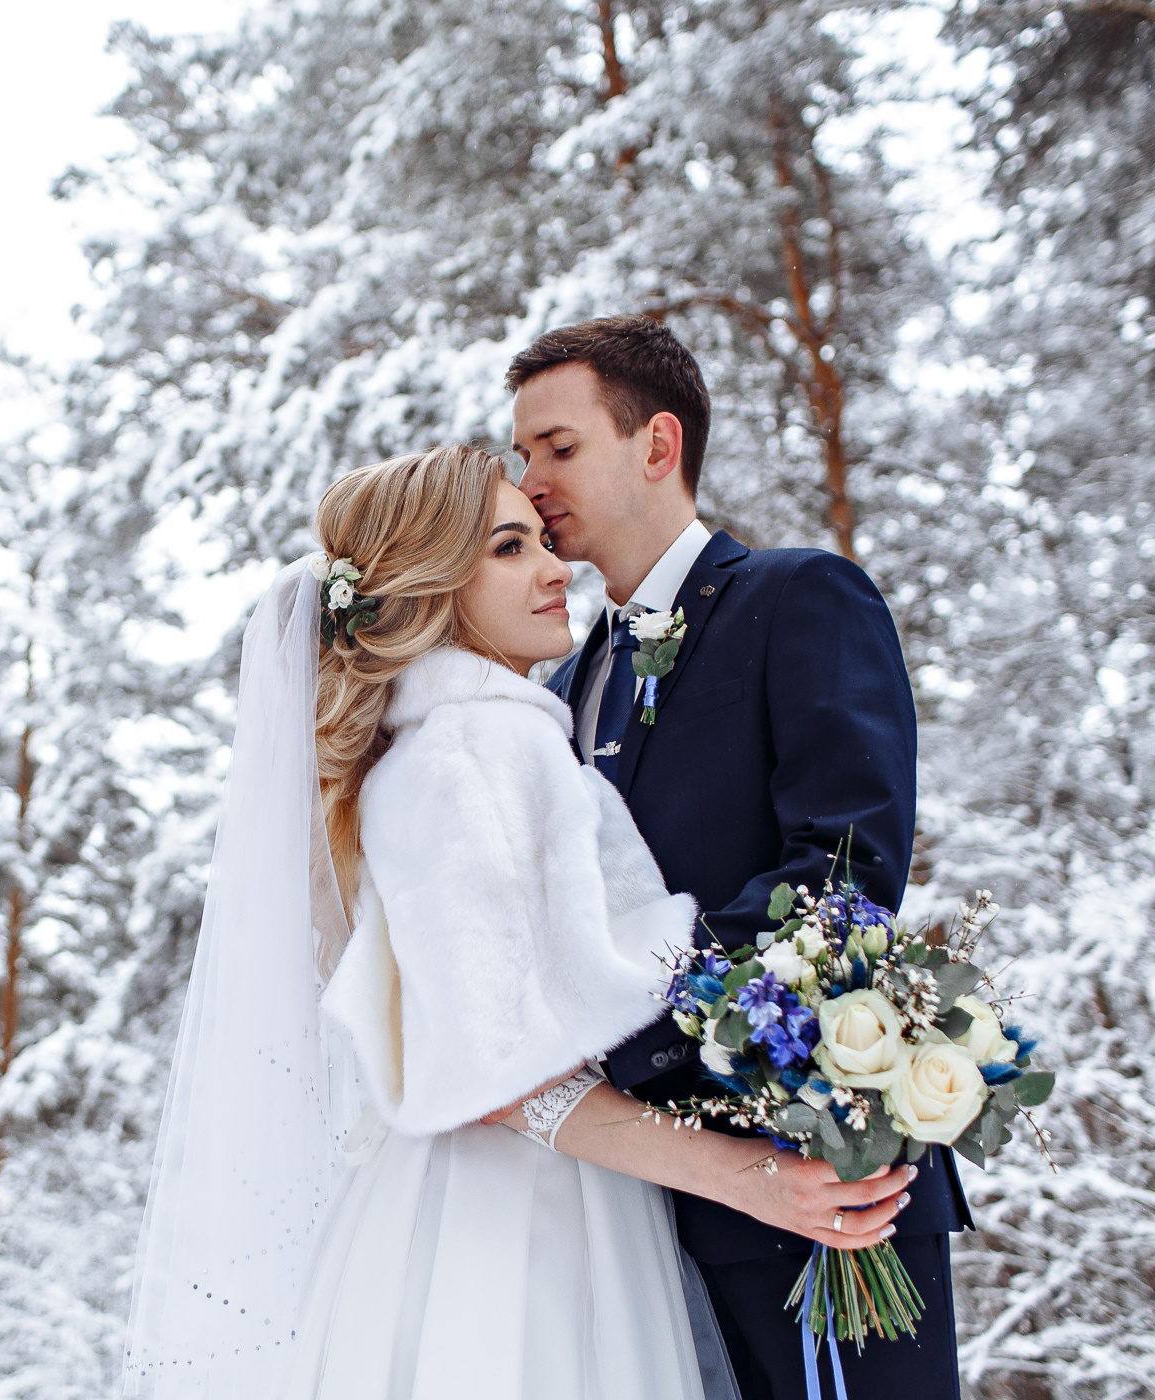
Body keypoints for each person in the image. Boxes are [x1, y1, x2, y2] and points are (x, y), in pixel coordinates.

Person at [121, 443, 910, 1400]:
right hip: (514, 1227)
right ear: (432, 587)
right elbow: (500, 1078)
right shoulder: (469, 751)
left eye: (541, 539)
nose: (555, 568)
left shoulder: (463, 739)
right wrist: (745, 1177)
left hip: (480, 1203)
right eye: (509, 548)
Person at [510, 315, 971, 1400]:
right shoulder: (559, 685)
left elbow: (845, 872)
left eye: (559, 447)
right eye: (522, 454)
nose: (530, 482)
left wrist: (620, 1011)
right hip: (637, 1210)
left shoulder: (800, 598)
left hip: (823, 1170)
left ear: (658, 444)